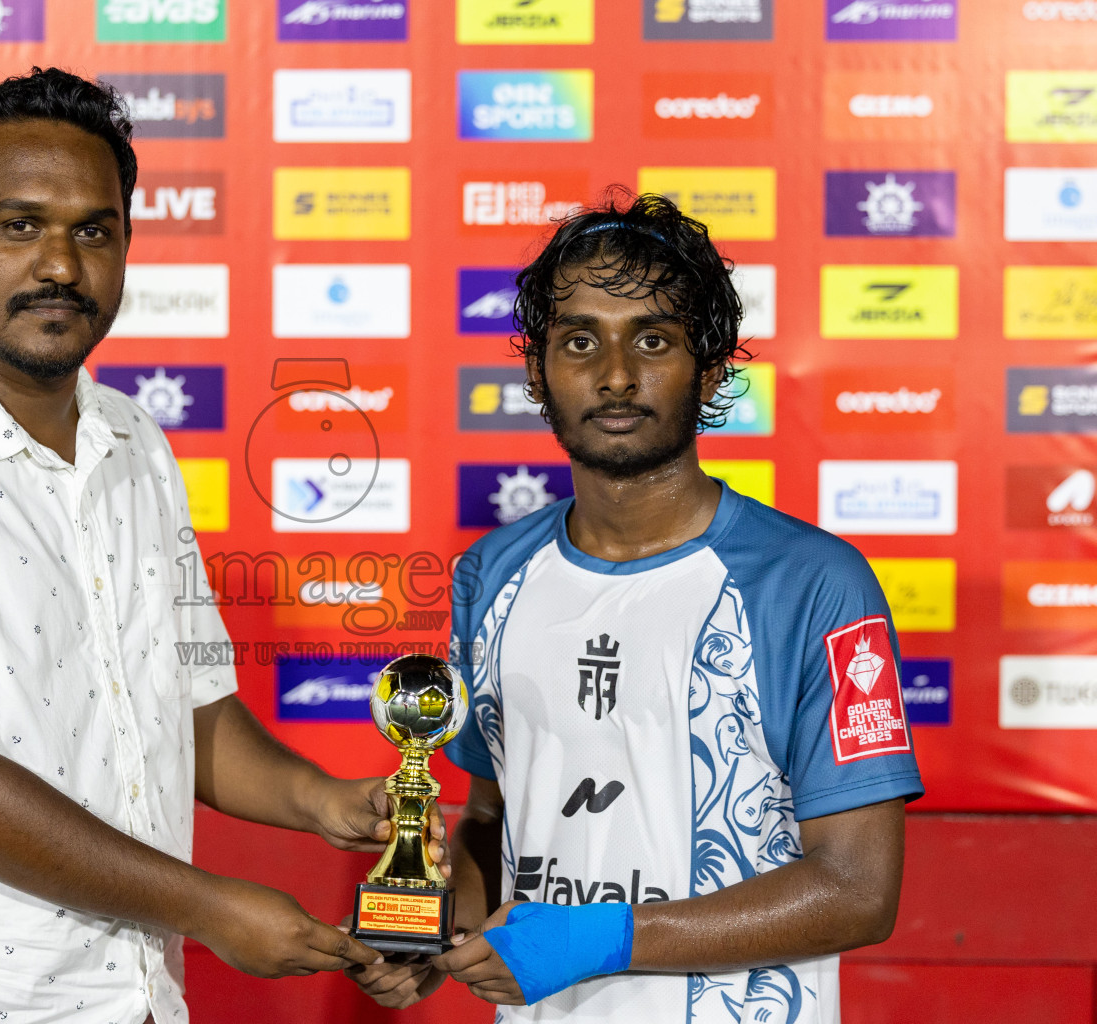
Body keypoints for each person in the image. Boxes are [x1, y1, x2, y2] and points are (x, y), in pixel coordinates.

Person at [0, 67, 445, 1024]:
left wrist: (323, 801)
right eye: (19, 225)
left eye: (94, 230)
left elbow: (187, 712)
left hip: (123, 996)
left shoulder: (134, 444)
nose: (61, 266)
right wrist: (212, 908)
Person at [346, 191, 923, 1021]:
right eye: (581, 341)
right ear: (539, 372)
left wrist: (603, 938)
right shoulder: (491, 574)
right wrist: (431, 934)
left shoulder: (815, 583)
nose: (615, 375)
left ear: (712, 368)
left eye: (652, 339)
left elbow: (859, 890)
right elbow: (488, 817)